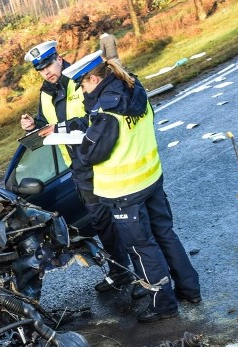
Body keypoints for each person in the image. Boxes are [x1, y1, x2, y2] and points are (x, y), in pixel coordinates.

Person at [63, 51, 201, 323]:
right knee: (165, 235)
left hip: (124, 191)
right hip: (150, 178)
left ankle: (163, 306)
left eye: (83, 85)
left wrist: (74, 140)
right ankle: (190, 290)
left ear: (93, 78)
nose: (82, 91)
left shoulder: (106, 111)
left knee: (142, 248)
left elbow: (90, 155)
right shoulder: (134, 90)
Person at [21, 40, 145, 299]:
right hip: (78, 168)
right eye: (40, 69)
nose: (46, 72)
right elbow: (48, 123)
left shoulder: (79, 78)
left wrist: (65, 127)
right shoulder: (45, 92)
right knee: (102, 223)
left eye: (48, 65)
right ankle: (121, 271)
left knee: (124, 221)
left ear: (59, 57)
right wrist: (34, 124)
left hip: (102, 160)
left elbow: (98, 116)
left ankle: (142, 278)